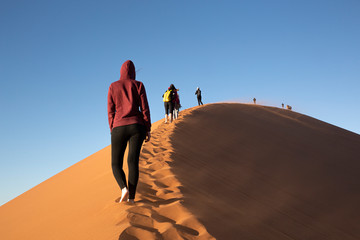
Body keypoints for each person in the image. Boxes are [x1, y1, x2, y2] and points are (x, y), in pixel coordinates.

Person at [107, 60, 151, 204]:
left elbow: (110, 111)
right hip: (137, 127)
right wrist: (147, 128)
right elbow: (145, 109)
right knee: (133, 162)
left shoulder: (113, 86)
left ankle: (123, 189)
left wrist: (112, 128)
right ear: (133, 72)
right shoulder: (138, 85)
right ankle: (131, 198)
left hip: (118, 127)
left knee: (115, 164)